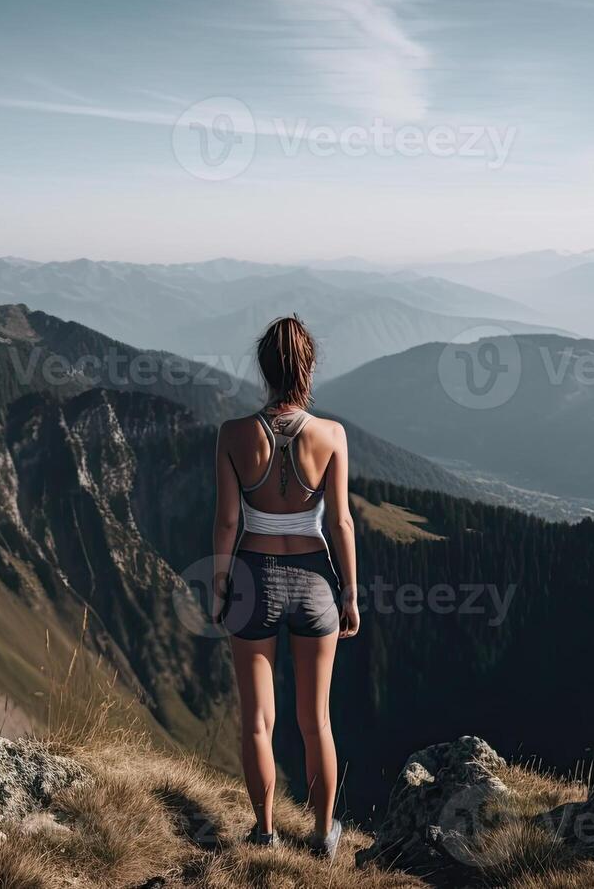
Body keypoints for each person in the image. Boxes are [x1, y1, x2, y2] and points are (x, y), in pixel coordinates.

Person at [211, 314, 360, 858]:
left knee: (257, 719)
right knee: (314, 718)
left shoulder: (233, 435)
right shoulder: (332, 435)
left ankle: (265, 830)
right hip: (316, 581)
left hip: (252, 579)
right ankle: (323, 835)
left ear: (264, 368)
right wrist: (349, 593)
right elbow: (341, 522)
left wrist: (220, 583)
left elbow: (228, 521)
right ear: (308, 367)